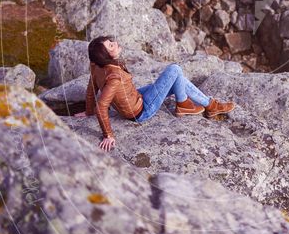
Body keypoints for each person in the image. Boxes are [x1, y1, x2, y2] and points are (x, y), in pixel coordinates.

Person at [74, 35, 234, 151]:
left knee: (176, 78)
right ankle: (197, 105)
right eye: (110, 45)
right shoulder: (114, 77)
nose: (114, 43)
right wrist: (108, 135)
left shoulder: (96, 66)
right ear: (105, 56)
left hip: (135, 97)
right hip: (141, 111)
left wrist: (88, 112)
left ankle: (199, 105)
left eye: (110, 42)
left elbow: (91, 90)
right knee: (175, 69)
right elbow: (102, 105)